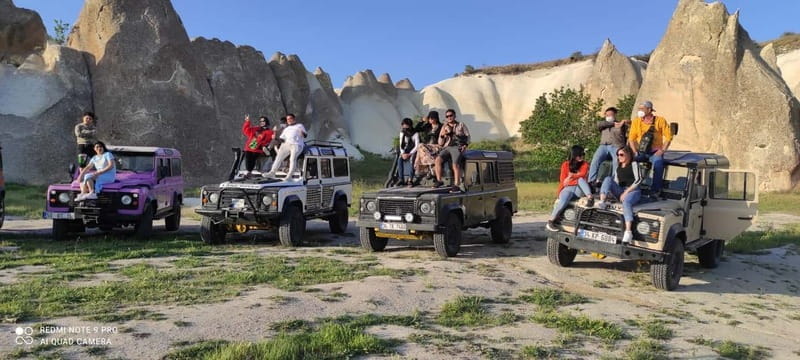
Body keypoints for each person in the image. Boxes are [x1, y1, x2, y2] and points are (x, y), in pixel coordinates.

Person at [596, 146, 644, 244]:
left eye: (621, 155)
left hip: (633, 191)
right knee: (608, 179)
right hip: (621, 190)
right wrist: (612, 193)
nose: (619, 157)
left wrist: (626, 192)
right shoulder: (618, 166)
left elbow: (639, 180)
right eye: (617, 155)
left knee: (626, 202)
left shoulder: (634, 164)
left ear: (628, 155)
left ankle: (628, 232)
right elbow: (616, 181)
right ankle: (602, 201)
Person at [628, 100, 672, 194]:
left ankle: (655, 190)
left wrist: (663, 150)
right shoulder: (636, 121)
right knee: (628, 161)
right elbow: (631, 138)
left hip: (655, 151)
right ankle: (629, 186)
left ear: (649, 109)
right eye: (639, 108)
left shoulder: (660, 120)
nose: (640, 110)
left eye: (642, 109)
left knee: (658, 163)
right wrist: (634, 151)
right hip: (641, 151)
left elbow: (669, 137)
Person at [546, 145, 593, 231]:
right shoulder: (565, 164)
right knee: (564, 198)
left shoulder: (585, 164)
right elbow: (563, 181)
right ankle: (551, 221)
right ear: (574, 155)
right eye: (580, 154)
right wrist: (573, 178)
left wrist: (572, 177)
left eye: (583, 154)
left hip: (579, 189)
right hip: (567, 188)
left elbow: (582, 174)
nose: (582, 156)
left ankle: (590, 197)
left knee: (580, 179)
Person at [588, 107, 629, 185]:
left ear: (614, 115)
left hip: (616, 146)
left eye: (610, 114)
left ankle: (614, 181)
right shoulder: (603, 124)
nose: (609, 116)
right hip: (603, 146)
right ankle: (591, 181)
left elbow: (630, 125)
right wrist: (613, 123)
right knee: (595, 160)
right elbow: (599, 124)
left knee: (616, 161)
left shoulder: (621, 124)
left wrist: (624, 121)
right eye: (607, 115)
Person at [433, 109, 470, 192]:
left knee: (455, 165)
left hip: (457, 147)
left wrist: (465, 145)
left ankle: (456, 184)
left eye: (451, 115)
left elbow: (468, 136)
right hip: (447, 147)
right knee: (437, 160)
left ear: (454, 116)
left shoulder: (461, 125)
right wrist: (443, 135)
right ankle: (439, 180)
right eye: (447, 116)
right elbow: (440, 142)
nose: (449, 117)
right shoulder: (444, 127)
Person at [264, 113, 307, 180]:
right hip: (286, 144)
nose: (289, 120)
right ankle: (272, 173)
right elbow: (281, 139)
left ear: (294, 119)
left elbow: (305, 135)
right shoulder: (286, 129)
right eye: (287, 119)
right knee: (278, 158)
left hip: (296, 144)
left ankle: (289, 176)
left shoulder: (299, 125)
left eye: (290, 118)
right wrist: (275, 138)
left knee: (292, 159)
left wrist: (302, 133)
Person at [413, 111, 443, 177]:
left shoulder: (441, 126)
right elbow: (416, 129)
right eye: (429, 118)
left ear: (436, 118)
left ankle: (419, 166)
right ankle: (431, 168)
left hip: (437, 146)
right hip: (428, 147)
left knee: (420, 146)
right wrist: (421, 121)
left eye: (432, 118)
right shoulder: (427, 126)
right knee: (421, 148)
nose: (430, 120)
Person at [396, 118, 420, 186]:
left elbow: (417, 146)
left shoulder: (415, 133)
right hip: (405, 150)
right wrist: (403, 153)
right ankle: (401, 179)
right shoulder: (402, 133)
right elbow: (401, 144)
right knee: (400, 159)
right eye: (403, 125)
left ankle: (410, 179)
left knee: (412, 159)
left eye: (406, 125)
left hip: (413, 150)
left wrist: (410, 154)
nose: (404, 127)